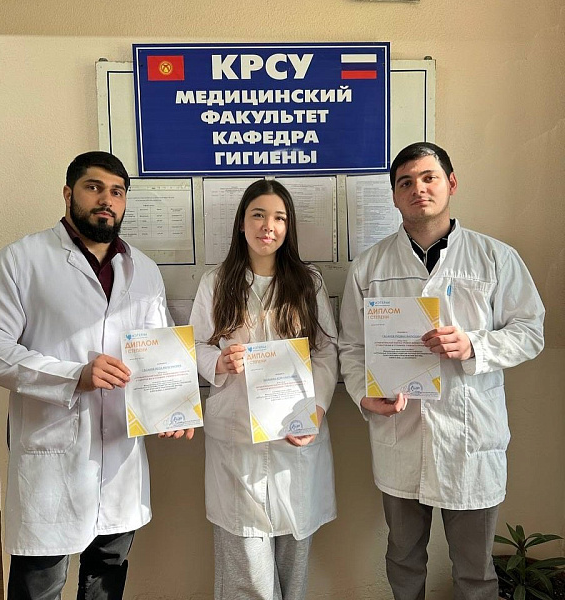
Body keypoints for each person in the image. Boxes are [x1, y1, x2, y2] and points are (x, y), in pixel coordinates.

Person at [0, 151, 193, 600]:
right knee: (41, 582)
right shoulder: (23, 260)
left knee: (107, 576)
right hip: (52, 451)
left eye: (117, 192)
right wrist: (74, 376)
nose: (106, 200)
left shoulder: (143, 270)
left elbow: (159, 350)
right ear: (69, 193)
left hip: (120, 454)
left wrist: (173, 407)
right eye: (94, 188)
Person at [339, 142, 544, 600]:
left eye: (429, 177)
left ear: (451, 183)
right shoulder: (369, 266)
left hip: (470, 437)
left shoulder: (495, 258)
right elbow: (351, 346)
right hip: (401, 433)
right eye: (406, 182)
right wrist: (362, 394)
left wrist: (475, 345)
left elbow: (531, 331)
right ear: (394, 196)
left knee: (475, 570)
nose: (419, 189)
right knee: (402, 559)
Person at [189, 179, 338, 600]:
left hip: (297, 440)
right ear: (241, 222)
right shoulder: (216, 282)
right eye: (258, 215)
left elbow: (326, 351)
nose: (267, 226)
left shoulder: (307, 282)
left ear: (288, 228)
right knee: (247, 579)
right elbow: (195, 344)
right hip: (237, 446)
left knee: (293, 575)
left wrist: (316, 410)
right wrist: (217, 362)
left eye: (279, 218)